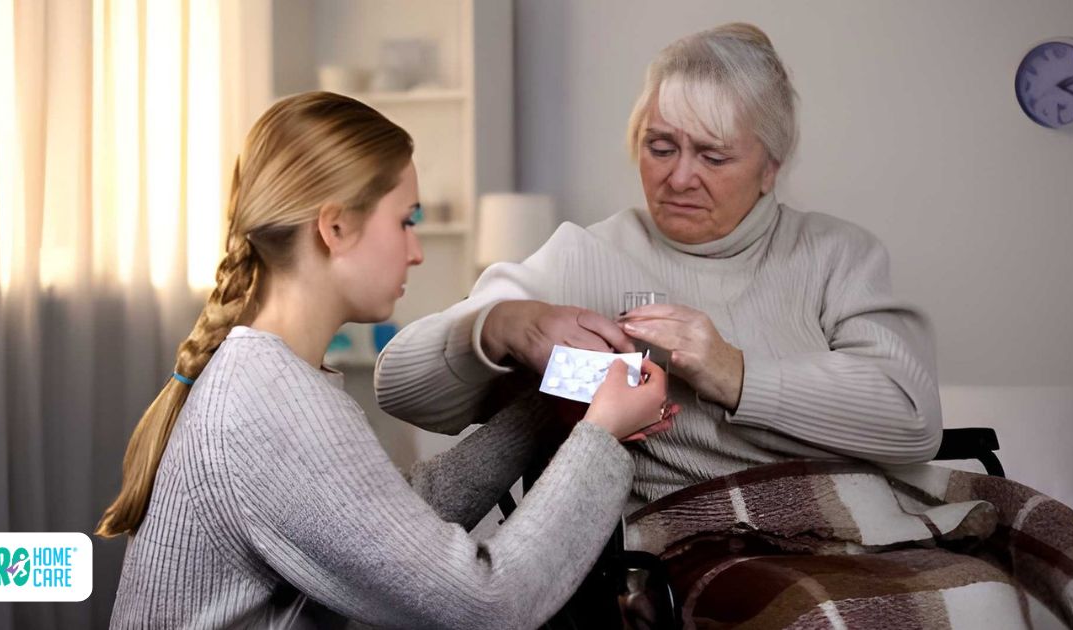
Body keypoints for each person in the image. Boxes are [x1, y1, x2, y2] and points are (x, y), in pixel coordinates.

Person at [95, 92, 669, 629]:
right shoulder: (271, 404)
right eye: (406, 221)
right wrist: (601, 435)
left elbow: (394, 520)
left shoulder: (267, 376)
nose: (416, 250)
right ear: (335, 226)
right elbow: (490, 604)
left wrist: (550, 409)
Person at [375, 23, 942, 510]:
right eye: (660, 147)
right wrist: (501, 325)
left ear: (771, 167)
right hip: (698, 548)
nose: (678, 178)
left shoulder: (838, 254)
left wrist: (733, 372)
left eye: (713, 156)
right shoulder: (582, 257)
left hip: (867, 528)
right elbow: (399, 385)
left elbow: (913, 418)